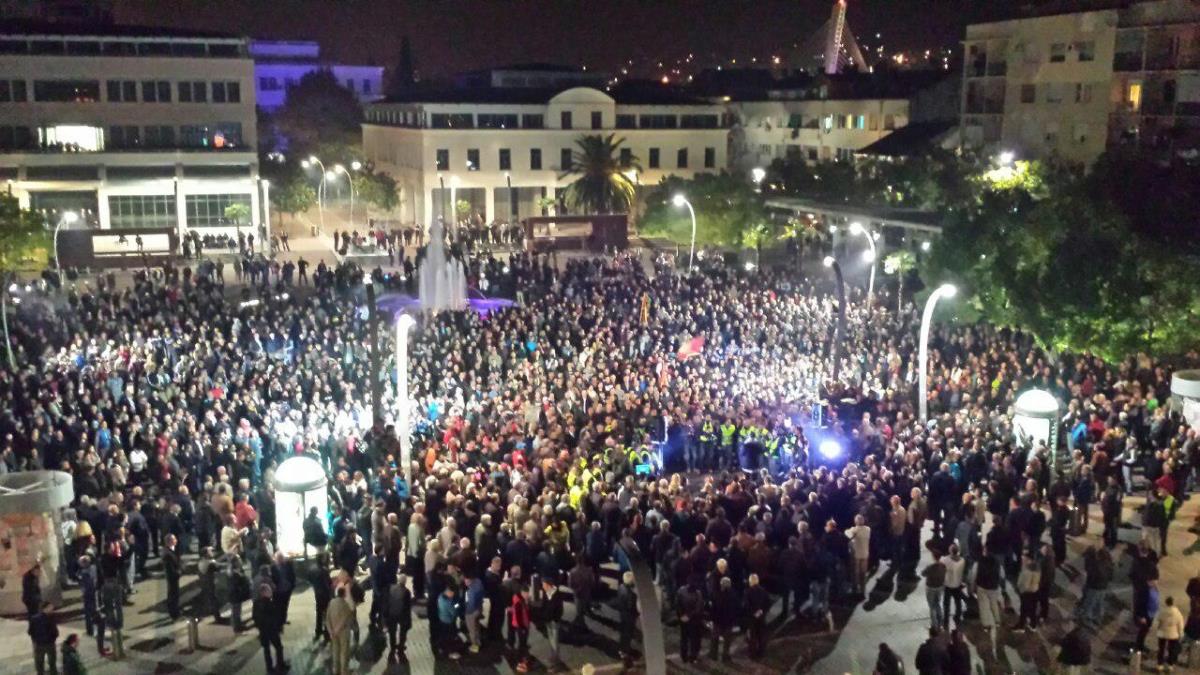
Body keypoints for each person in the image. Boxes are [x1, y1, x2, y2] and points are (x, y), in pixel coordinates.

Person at [253, 583, 287, 673]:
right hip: (272, 631)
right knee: (279, 647)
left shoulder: (256, 603)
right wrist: (278, 628)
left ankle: (270, 669)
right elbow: (275, 618)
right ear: (265, 592)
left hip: (263, 632)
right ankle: (280, 665)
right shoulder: (270, 604)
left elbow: (255, 617)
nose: (271, 592)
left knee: (266, 650)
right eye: (269, 591)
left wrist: (259, 627)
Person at [326, 586, 354, 675]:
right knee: (344, 652)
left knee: (335, 651)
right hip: (343, 632)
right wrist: (338, 630)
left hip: (333, 632)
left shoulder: (331, 603)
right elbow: (345, 619)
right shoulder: (345, 605)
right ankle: (344, 671)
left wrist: (331, 631)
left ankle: (335, 670)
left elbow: (327, 618)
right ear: (344, 594)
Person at [384, 573, 412, 659]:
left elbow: (386, 602)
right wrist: (409, 620)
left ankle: (392, 648)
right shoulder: (406, 592)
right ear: (405, 582)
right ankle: (401, 647)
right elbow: (408, 607)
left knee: (392, 632)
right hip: (402, 615)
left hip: (391, 614)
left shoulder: (391, 588)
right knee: (402, 632)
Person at [676, 579, 705, 664]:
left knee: (684, 639)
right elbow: (698, 608)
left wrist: (681, 616)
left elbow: (677, 605)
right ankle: (692, 657)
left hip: (683, 620)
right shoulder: (698, 594)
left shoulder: (681, 591)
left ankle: (684, 657)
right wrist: (689, 616)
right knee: (694, 640)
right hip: (694, 621)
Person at [1153, 595, 1185, 670]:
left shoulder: (1161, 611)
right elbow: (1180, 624)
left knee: (1161, 649)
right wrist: (1181, 634)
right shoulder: (1177, 613)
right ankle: (1170, 665)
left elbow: (1156, 622)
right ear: (1173, 603)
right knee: (1172, 650)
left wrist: (1157, 629)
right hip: (1173, 634)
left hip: (1162, 633)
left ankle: (1159, 665)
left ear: (1166, 603)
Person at [745, 573, 771, 659]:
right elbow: (768, 603)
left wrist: (753, 613)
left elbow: (747, 605)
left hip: (752, 618)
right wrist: (761, 611)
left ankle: (752, 654)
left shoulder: (748, 592)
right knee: (761, 635)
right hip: (761, 617)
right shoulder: (763, 591)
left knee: (752, 636)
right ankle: (761, 652)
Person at [615, 571, 638, 666]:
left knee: (623, 632)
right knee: (628, 634)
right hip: (629, 616)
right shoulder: (631, 595)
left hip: (622, 613)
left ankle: (622, 649)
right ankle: (625, 652)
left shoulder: (621, 587)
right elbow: (631, 607)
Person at [29, 601, 59, 675]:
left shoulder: (34, 618)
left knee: (40, 664)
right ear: (45, 608)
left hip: (40, 644)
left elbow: (30, 631)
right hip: (49, 644)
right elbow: (54, 631)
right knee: (52, 663)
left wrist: (35, 640)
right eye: (50, 607)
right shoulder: (51, 617)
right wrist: (54, 637)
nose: (52, 609)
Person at [940, 545, 966, 629]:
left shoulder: (946, 560)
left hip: (948, 585)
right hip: (957, 584)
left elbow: (941, 562)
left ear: (950, 551)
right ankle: (958, 616)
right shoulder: (962, 560)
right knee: (958, 601)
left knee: (946, 603)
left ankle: (946, 619)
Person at [510, 587, 532, 673]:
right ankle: (520, 662)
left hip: (523, 625)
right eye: (527, 593)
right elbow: (519, 617)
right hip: (521, 627)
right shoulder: (519, 602)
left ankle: (522, 659)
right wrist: (522, 628)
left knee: (523, 643)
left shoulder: (520, 599)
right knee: (522, 644)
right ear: (522, 592)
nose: (528, 595)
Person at [922, 554, 946, 631]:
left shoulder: (930, 567)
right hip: (939, 587)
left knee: (932, 606)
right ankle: (941, 622)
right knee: (937, 603)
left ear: (933, 557)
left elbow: (923, 573)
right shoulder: (943, 565)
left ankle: (934, 625)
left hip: (931, 588)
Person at [162, 534, 182, 620]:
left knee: (175, 595)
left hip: (174, 577)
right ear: (169, 541)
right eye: (174, 539)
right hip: (172, 578)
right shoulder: (167, 554)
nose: (176, 540)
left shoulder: (172, 551)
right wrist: (178, 573)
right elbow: (170, 568)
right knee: (173, 595)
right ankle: (174, 614)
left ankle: (176, 611)